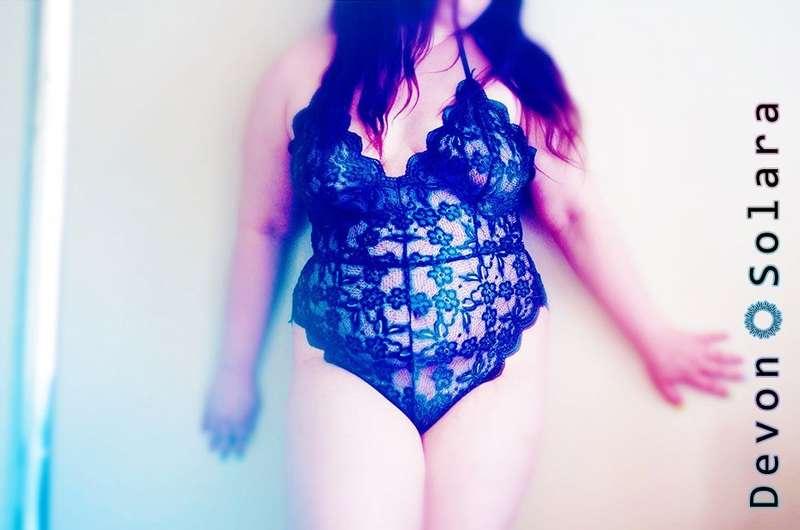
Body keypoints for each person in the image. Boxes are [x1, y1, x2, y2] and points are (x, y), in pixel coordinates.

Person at [202, 1, 744, 528]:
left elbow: (574, 214)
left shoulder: (516, 71)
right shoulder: (300, 71)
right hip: (343, 358)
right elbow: (264, 226)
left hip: (493, 364)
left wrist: (655, 339)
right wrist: (235, 369)